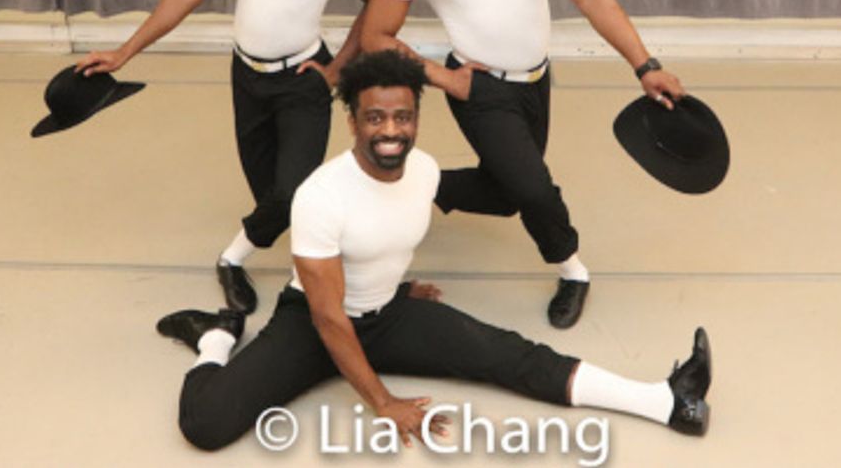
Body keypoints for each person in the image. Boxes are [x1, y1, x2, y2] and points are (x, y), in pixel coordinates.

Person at [156, 50, 712, 452]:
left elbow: (389, 230)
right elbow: (328, 316)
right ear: (353, 122)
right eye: (375, 118)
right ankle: (214, 336)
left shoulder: (421, 172)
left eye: (402, 116)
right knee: (206, 424)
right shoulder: (320, 196)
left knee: (510, 355)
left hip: (388, 316)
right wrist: (383, 403)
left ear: (416, 118)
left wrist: (395, 290)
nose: (390, 130)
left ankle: (664, 400)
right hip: (314, 324)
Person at [361, 0, 686, 330]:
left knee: (507, 192)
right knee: (534, 192)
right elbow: (376, 35)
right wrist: (443, 80)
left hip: (536, 81)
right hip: (478, 89)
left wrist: (645, 65)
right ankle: (573, 271)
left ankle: (418, 184)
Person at [78, 0, 379, 315]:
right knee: (270, 196)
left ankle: (232, 259)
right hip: (245, 77)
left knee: (287, 196)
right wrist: (124, 51)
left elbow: (378, 1)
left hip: (303, 79)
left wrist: (338, 71)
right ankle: (313, 260)